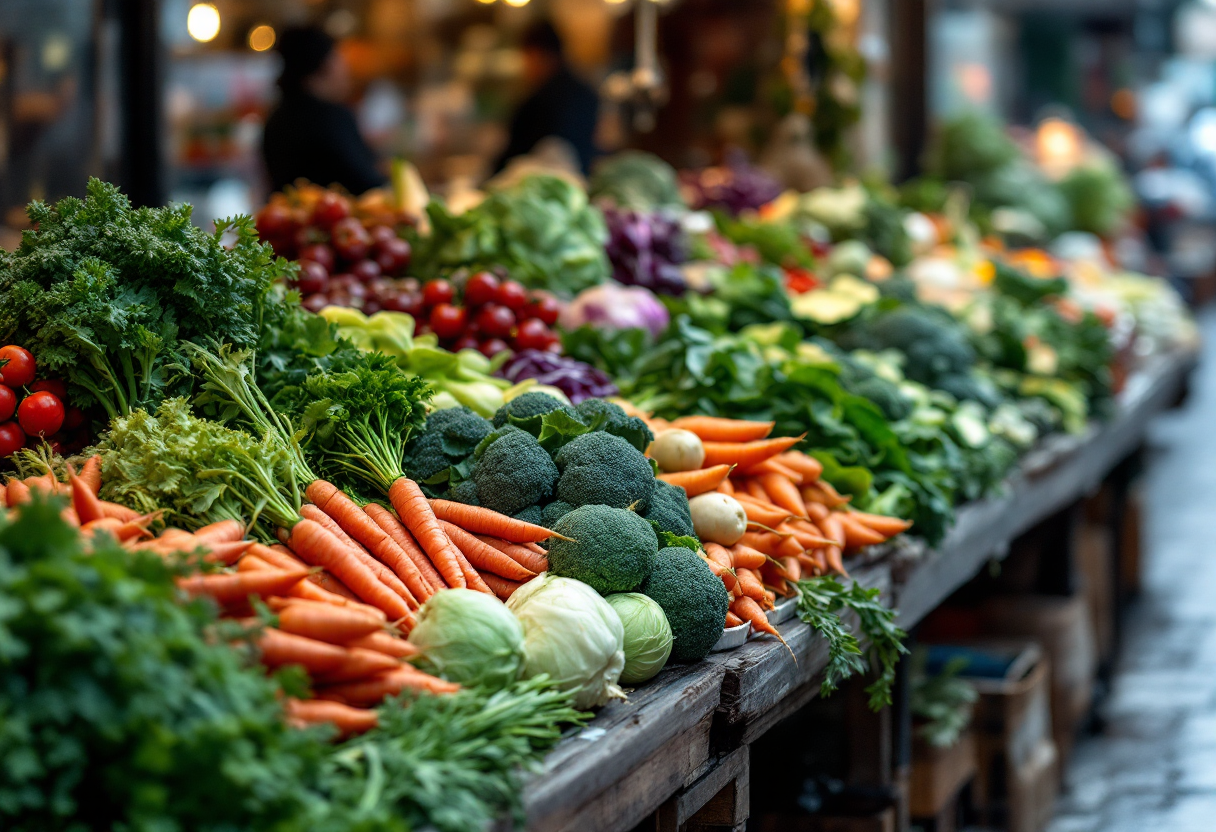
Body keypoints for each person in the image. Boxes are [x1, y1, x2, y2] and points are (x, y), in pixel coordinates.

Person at [262, 26, 386, 195]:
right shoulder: (331, 117)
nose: (346, 69)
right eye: (338, 58)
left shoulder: (275, 118)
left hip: (287, 216)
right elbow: (368, 183)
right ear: (323, 66)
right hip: (342, 218)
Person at [495, 21, 600, 175]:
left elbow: (514, 155)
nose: (526, 66)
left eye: (526, 57)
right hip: (579, 180)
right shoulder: (587, 91)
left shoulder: (540, 100)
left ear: (538, 54)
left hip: (533, 183)